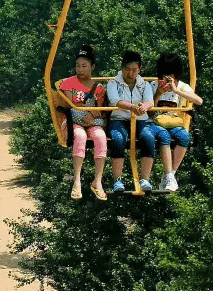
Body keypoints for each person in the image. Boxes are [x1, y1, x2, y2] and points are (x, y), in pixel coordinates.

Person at [106, 50, 173, 193]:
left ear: (139, 69)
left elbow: (149, 101)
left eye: (134, 70)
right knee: (118, 138)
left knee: (148, 137)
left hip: (141, 119)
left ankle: (145, 179)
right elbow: (114, 100)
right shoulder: (113, 83)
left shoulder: (144, 85)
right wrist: (132, 107)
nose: (130, 73)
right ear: (122, 68)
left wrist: (144, 107)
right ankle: (117, 180)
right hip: (119, 118)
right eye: (127, 69)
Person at [59, 45, 108, 200]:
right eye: (78, 66)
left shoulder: (98, 88)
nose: (80, 69)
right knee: (79, 136)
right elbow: (69, 104)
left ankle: (97, 180)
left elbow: (99, 110)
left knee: (100, 137)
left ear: (92, 67)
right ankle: (77, 180)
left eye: (84, 66)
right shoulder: (69, 83)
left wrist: (91, 112)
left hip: (91, 122)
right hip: (74, 121)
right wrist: (87, 109)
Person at [152, 52, 204, 190]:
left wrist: (176, 91)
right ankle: (169, 174)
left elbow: (199, 101)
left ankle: (170, 175)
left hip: (174, 122)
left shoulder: (182, 87)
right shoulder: (154, 85)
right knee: (164, 136)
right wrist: (159, 93)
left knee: (184, 137)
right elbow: (149, 107)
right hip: (156, 122)